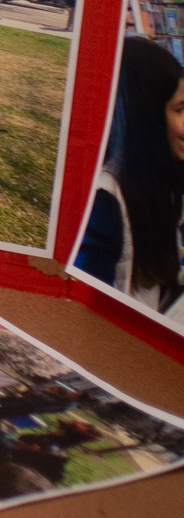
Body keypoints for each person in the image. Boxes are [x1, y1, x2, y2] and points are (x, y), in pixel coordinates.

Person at [74, 34, 184, 317]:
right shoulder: (105, 202)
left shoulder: (160, 183)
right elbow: (88, 312)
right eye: (180, 110)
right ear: (145, 118)